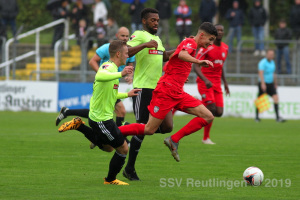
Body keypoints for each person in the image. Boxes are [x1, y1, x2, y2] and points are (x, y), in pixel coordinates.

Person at [118, 22, 218, 162]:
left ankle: (174, 140)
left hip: (177, 91)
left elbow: (175, 58)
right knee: (148, 129)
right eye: (210, 39)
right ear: (202, 35)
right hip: (167, 91)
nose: (210, 43)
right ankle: (112, 132)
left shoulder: (188, 43)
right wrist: (198, 62)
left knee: (208, 116)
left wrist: (181, 75)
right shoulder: (190, 42)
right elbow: (182, 55)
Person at [58, 40, 141, 185]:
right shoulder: (108, 67)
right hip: (102, 120)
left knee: (109, 148)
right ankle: (110, 180)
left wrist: (127, 95)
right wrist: (121, 73)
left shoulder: (113, 69)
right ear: (118, 53)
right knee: (123, 148)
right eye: (127, 53)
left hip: (101, 118)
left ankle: (79, 126)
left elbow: (112, 95)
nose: (128, 56)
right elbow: (99, 75)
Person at [122, 8, 175, 181]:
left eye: (158, 20)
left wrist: (182, 48)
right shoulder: (139, 35)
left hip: (159, 89)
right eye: (153, 20)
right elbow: (125, 52)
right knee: (143, 129)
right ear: (144, 21)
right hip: (143, 89)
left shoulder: (158, 39)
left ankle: (132, 128)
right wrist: (144, 44)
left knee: (167, 126)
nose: (156, 23)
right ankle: (129, 169)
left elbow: (164, 57)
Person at [56, 27, 135, 131]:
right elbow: (92, 61)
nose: (125, 38)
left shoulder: (128, 50)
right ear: (116, 36)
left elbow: (130, 65)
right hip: (105, 83)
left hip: (113, 82)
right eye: (122, 36)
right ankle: (119, 137)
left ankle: (69, 112)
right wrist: (103, 76)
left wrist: (130, 75)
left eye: (126, 36)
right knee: (120, 110)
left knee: (98, 111)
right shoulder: (107, 48)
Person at [193, 24, 230, 145]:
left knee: (219, 112)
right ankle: (205, 138)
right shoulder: (207, 47)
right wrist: (205, 79)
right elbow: (196, 65)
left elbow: (221, 66)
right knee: (211, 110)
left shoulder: (225, 48)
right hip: (205, 83)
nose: (220, 32)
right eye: (217, 30)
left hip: (217, 83)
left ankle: (196, 101)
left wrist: (225, 83)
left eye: (221, 30)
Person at [255, 49, 285, 123]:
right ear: (267, 54)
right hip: (263, 83)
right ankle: (257, 117)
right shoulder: (262, 62)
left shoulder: (272, 62)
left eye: (272, 54)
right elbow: (260, 73)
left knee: (276, 98)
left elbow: (273, 73)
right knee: (260, 100)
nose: (271, 56)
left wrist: (275, 83)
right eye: (270, 54)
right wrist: (262, 83)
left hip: (271, 84)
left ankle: (277, 117)